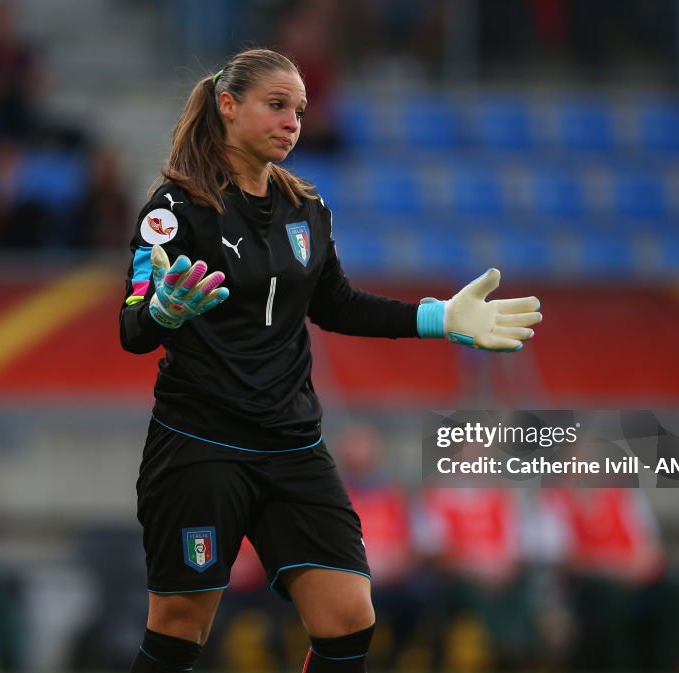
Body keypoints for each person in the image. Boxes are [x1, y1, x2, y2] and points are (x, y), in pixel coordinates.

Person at [118, 48, 542, 673]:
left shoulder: (306, 210)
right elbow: (133, 327)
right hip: (200, 445)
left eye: (300, 110)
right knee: (183, 623)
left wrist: (439, 319)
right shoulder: (173, 210)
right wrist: (162, 312)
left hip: (292, 444)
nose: (293, 121)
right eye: (277, 105)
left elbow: (337, 305)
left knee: (349, 615)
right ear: (228, 107)